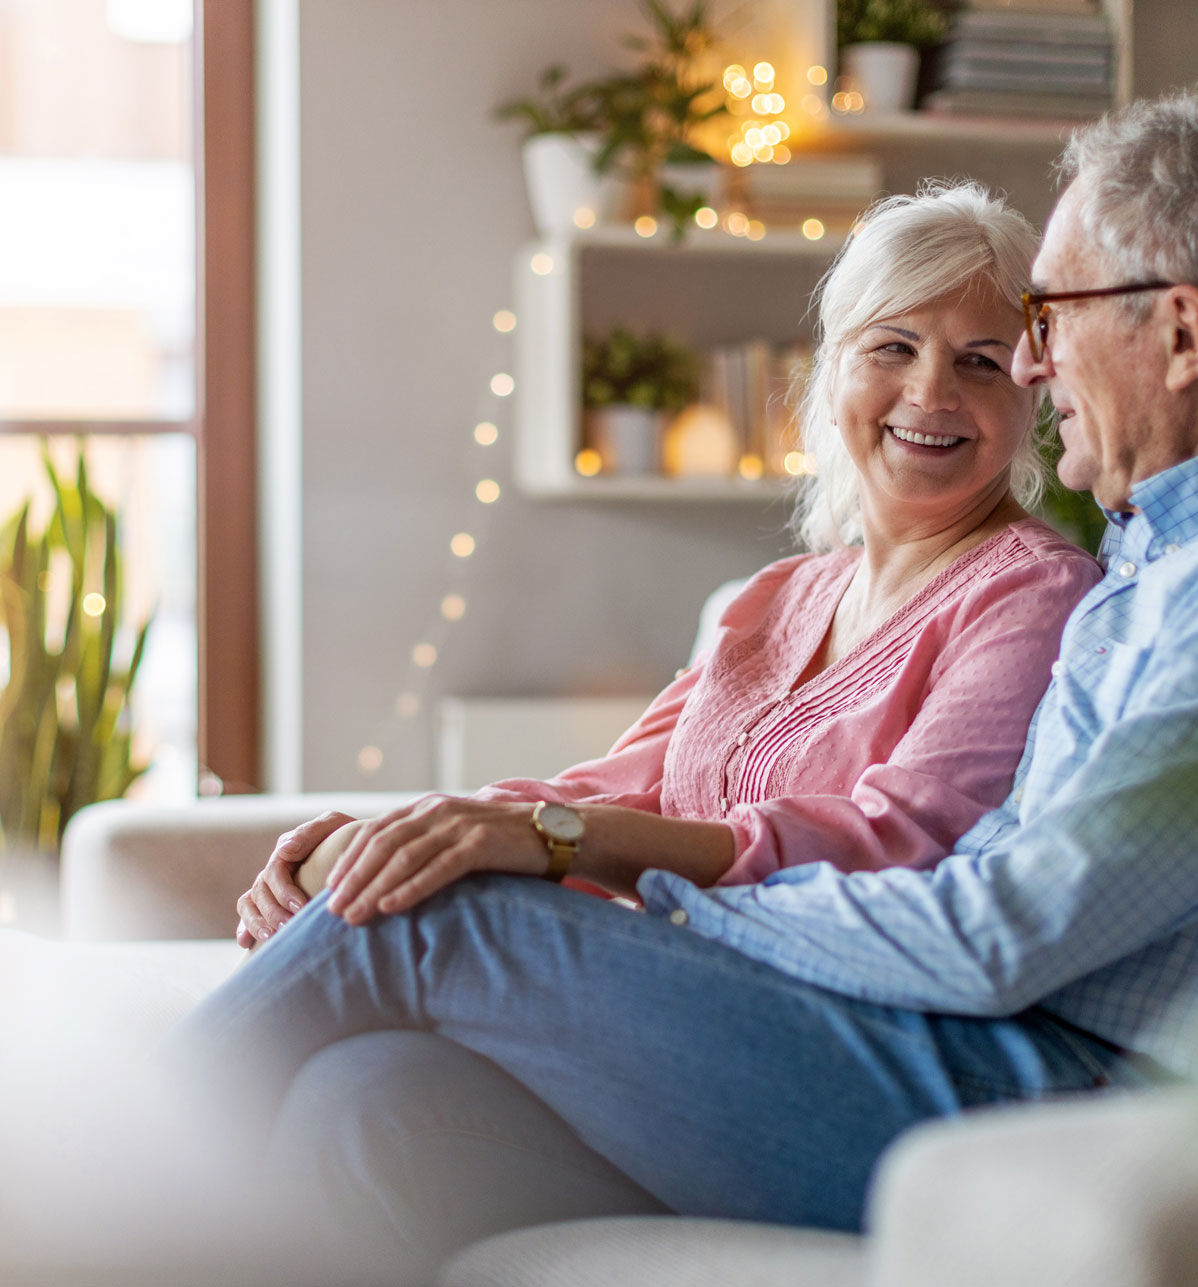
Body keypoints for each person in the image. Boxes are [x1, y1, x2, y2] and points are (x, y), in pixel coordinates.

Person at [167, 83, 1198, 1284]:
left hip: (1075, 1101)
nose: (1027, 364)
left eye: (1045, 319)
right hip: (984, 1051)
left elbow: (993, 929)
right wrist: (512, 850)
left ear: (1179, 333)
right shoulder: (1172, 548)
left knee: (445, 921)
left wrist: (657, 904)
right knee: (375, 1102)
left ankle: (37, 1210)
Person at [235, 182, 1102, 949]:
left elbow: (892, 841)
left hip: (797, 998)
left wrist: (537, 836)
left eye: (980, 362)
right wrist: (409, 827)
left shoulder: (1031, 592)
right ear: (833, 372)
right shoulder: (779, 597)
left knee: (394, 923)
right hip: (669, 960)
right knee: (360, 1074)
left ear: (1031, 398)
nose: (930, 392)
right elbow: (607, 791)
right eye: (894, 347)